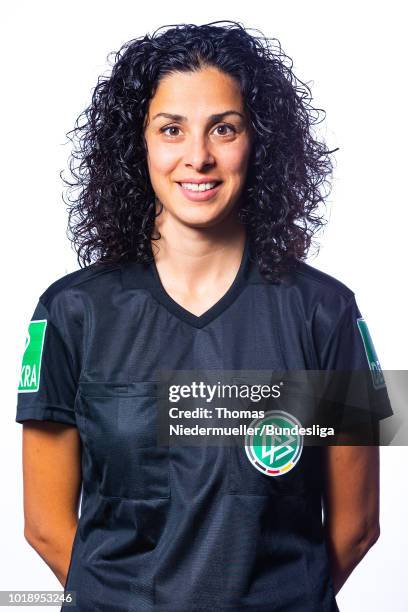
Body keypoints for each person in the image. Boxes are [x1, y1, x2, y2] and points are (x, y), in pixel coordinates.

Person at [16, 21, 393, 612]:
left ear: (258, 141)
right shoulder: (72, 311)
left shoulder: (326, 312)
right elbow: (42, 523)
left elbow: (357, 526)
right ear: (136, 145)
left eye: (224, 129)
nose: (199, 157)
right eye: (171, 130)